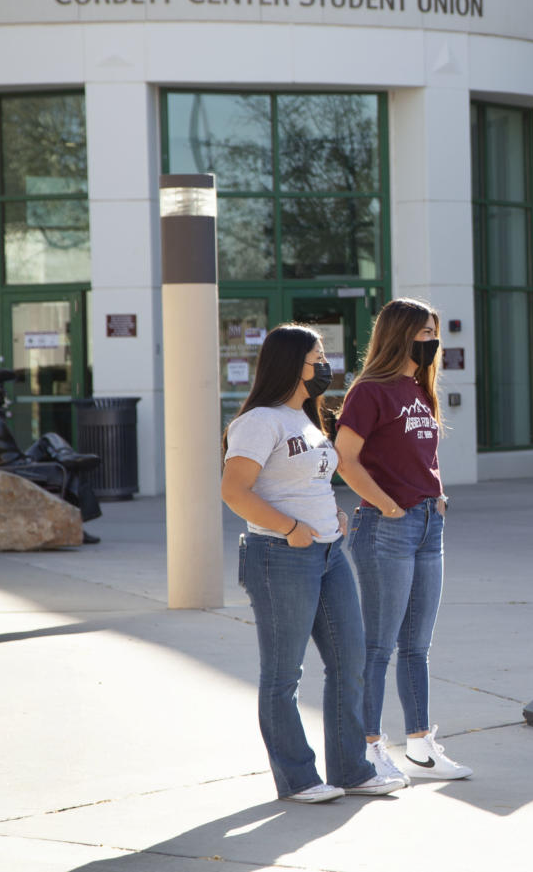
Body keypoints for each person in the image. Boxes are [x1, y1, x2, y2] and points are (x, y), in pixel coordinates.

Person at [221, 324, 407, 804]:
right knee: (284, 676)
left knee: (351, 663)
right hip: (282, 557)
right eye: (318, 356)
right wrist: (290, 528)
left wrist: (332, 514)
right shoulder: (261, 421)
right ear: (291, 363)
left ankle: (351, 770)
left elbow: (310, 481)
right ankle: (298, 777)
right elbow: (233, 490)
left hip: (328, 553)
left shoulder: (307, 418)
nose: (327, 364)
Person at [335, 298, 472, 782]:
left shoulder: (419, 388)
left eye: (435, 332)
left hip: (427, 523)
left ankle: (420, 745)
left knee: (417, 645)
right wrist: (389, 505)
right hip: (387, 526)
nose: (432, 341)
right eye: (424, 333)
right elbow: (345, 458)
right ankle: (368, 748)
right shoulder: (370, 391)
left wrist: (434, 499)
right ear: (400, 335)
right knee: (379, 644)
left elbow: (418, 458)